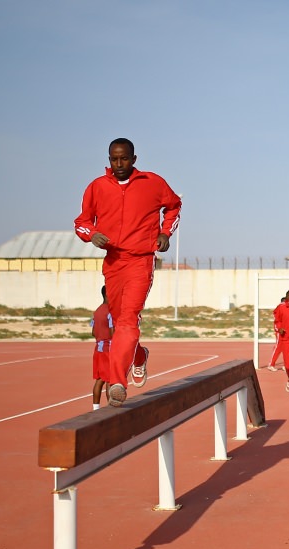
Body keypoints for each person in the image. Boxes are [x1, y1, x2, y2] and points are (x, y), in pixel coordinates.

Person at [74, 138, 181, 407]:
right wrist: (92, 234)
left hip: (140, 261)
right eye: (113, 159)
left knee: (127, 321)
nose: (118, 164)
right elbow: (82, 222)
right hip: (113, 263)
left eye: (124, 159)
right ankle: (139, 356)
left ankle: (117, 383)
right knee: (120, 319)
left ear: (134, 159)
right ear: (108, 159)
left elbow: (174, 205)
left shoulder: (153, 183)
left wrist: (165, 233)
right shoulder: (97, 187)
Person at [90, 285, 113, 410]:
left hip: (98, 349)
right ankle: (111, 408)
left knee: (99, 379)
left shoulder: (97, 311)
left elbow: (93, 332)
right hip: (107, 349)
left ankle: (96, 408)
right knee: (110, 379)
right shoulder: (110, 312)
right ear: (107, 294)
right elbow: (112, 333)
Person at [267, 296, 286, 372]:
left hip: (286, 332)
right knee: (278, 348)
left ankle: (286, 365)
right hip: (280, 332)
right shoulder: (279, 309)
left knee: (286, 349)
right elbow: (276, 322)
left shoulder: (285, 309)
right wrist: (278, 330)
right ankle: (271, 364)